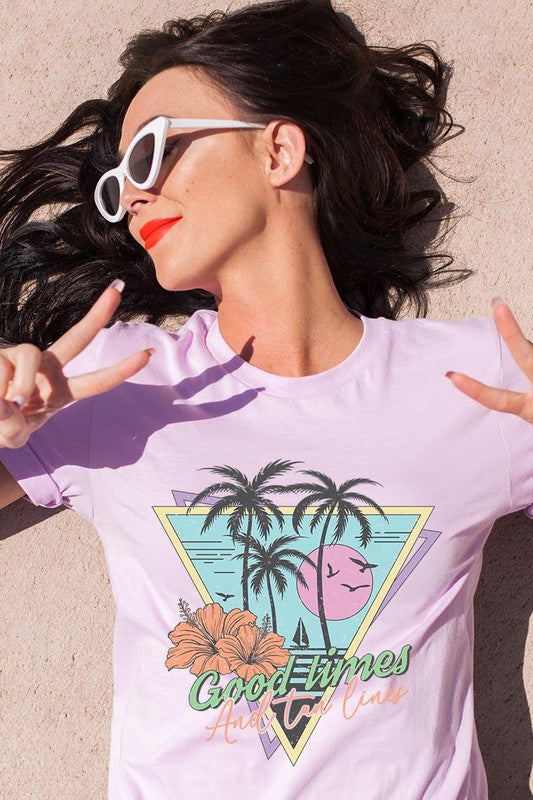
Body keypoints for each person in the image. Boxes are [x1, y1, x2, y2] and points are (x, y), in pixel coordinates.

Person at [0, 0, 531, 797]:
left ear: (278, 149)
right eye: (119, 181)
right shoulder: (107, 381)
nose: (133, 193)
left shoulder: (478, 379)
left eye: (152, 151)